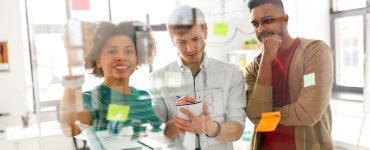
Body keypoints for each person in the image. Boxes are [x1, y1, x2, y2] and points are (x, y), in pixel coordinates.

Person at [148, 5, 246, 150]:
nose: (190, 48)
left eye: (195, 39)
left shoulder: (232, 73)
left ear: (205, 31)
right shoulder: (158, 78)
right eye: (182, 41)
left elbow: (237, 129)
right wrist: (176, 123)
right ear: (172, 39)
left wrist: (210, 128)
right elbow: (155, 134)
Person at [244, 0, 334, 149]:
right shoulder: (253, 68)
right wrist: (266, 59)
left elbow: (309, 112)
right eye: (255, 24)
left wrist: (266, 116)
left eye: (268, 20)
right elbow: (255, 116)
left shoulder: (315, 52)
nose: (260, 29)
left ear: (285, 19)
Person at [59, 21, 161, 137]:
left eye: (128, 51)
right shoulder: (93, 98)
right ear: (98, 60)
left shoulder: (144, 97)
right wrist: (74, 61)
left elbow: (155, 135)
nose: (120, 57)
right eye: (112, 51)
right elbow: (71, 127)